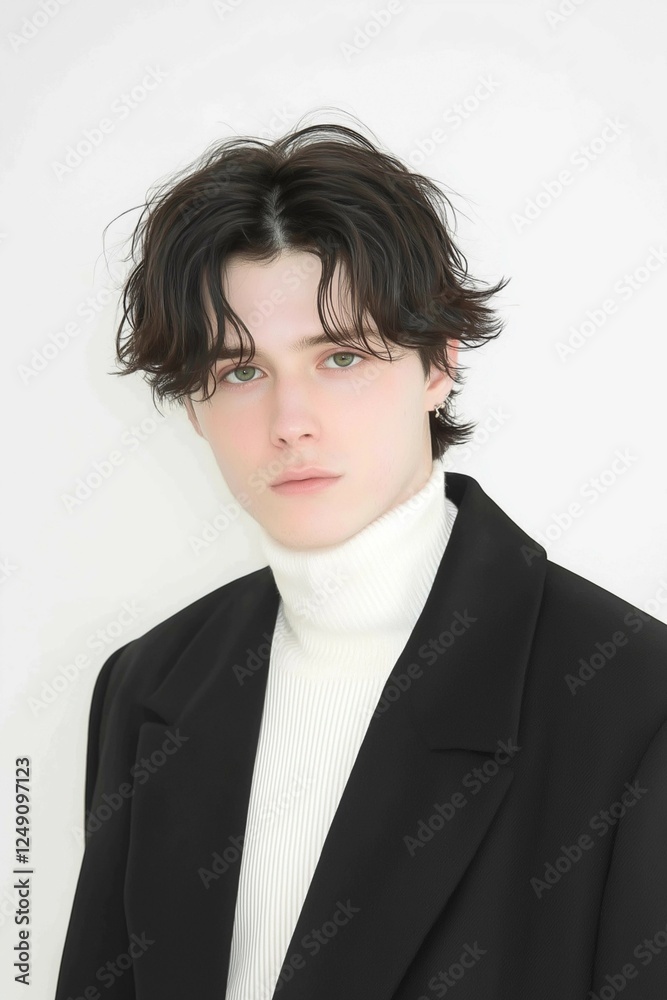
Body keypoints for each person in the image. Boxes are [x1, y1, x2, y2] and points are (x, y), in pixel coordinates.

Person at [54, 121, 667, 1000]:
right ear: (193, 404)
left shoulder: (630, 699)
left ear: (438, 364)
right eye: (238, 372)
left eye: (339, 356)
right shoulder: (146, 683)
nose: (288, 420)